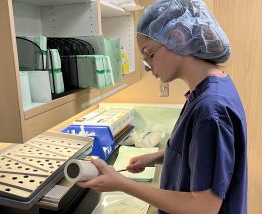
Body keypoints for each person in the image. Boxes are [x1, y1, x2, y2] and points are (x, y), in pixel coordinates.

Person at [78, 0, 247, 213]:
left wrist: (122, 184)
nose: (148, 68)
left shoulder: (210, 110)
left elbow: (203, 207)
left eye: (149, 54)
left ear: (177, 38)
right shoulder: (207, 90)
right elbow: (202, 154)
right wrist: (157, 157)